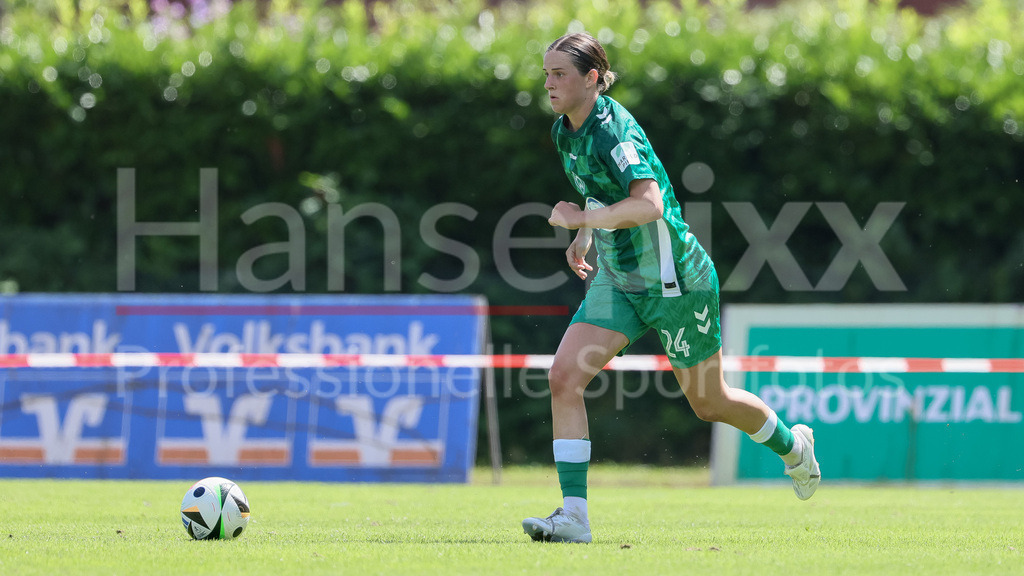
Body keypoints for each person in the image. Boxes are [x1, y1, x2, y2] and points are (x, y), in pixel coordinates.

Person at [522, 32, 820, 544]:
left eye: (559, 74)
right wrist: (586, 235)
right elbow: (599, 191)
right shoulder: (565, 131)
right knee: (564, 379)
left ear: (592, 79)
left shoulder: (613, 132)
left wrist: (582, 218)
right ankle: (574, 518)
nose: (548, 84)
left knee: (710, 403)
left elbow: (649, 203)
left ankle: (794, 447)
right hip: (619, 279)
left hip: (675, 282)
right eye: (546, 73)